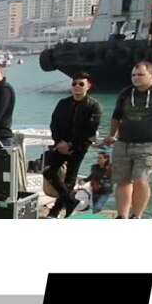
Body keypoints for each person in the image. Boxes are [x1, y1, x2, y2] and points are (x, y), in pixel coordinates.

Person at [102, 61, 152, 218]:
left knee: (141, 179)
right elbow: (116, 116)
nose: (136, 78)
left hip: (151, 144)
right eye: (133, 75)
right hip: (123, 143)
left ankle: (137, 215)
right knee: (123, 181)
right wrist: (112, 134)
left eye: (140, 75)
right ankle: (122, 216)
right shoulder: (126, 93)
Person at [45, 72, 103, 218]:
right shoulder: (63, 103)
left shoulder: (93, 106)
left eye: (81, 84)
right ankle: (70, 200)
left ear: (88, 86)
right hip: (60, 145)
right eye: (74, 83)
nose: (77, 86)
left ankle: (54, 212)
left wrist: (71, 144)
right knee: (49, 172)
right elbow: (54, 123)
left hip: (78, 147)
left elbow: (90, 130)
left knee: (70, 179)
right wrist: (59, 142)